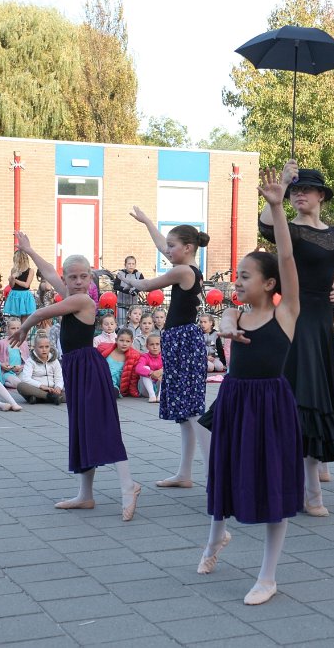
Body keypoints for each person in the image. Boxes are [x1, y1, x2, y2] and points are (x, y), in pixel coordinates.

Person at [197, 164, 304, 606]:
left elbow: (288, 258)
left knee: (272, 485)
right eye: (236, 274)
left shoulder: (285, 313)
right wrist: (225, 321)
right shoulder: (235, 315)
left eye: (245, 275)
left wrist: (278, 208)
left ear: (269, 283)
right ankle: (215, 538)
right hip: (234, 399)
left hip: (270, 404)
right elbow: (225, 319)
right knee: (222, 471)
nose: (237, 281)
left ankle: (268, 575)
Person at [242, 162, 334, 511]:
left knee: (317, 402)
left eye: (305, 189)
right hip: (292, 320)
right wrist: (279, 191)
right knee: (295, 400)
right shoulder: (291, 229)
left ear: (321, 196)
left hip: (321, 324)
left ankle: (309, 490)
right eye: (296, 190)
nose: (300, 194)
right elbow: (269, 227)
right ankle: (297, 487)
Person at [11, 232, 141, 520]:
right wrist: (30, 250)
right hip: (76, 369)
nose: (79, 281)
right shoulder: (71, 294)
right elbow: (47, 270)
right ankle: (85, 495)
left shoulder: (82, 301)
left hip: (88, 369)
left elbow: (42, 311)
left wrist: (23, 329)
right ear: (66, 279)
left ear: (91, 279)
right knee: (81, 428)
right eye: (73, 277)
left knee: (101, 427)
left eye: (84, 276)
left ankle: (128, 485)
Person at [126, 208, 210, 489]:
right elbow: (163, 244)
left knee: (194, 410)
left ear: (187, 248)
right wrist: (148, 221)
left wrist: (125, 279)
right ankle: (185, 473)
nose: (167, 251)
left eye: (173, 247)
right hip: (180, 340)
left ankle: (214, 473)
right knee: (185, 413)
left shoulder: (183, 270)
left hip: (184, 341)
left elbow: (148, 284)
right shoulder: (185, 266)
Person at [16, 332, 64, 405]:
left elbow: (59, 377)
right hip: (37, 389)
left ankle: (39, 398)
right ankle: (50, 397)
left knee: (72, 390)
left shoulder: (55, 360)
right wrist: (41, 386)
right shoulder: (30, 361)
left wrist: (58, 387)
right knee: (21, 386)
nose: (44, 350)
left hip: (53, 389)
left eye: (47, 347)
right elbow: (25, 378)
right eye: (41, 347)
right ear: (35, 348)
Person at [96, 329, 141, 398]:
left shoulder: (134, 356)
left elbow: (134, 377)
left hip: (115, 386)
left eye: (128, 341)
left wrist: (133, 392)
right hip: (100, 381)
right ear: (116, 340)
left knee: (111, 392)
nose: (124, 344)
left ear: (132, 342)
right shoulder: (104, 349)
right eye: (121, 340)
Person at [0, 319, 29, 389]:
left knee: (27, 382)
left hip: (20, 372)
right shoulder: (1, 343)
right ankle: (4, 382)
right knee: (18, 383)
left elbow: (27, 361)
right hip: (7, 372)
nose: (16, 330)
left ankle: (8, 384)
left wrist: (21, 368)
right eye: (13, 328)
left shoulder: (24, 343)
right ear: (7, 329)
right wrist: (1, 365)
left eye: (18, 328)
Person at [5, 250, 36, 322]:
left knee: (24, 318)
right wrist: (11, 279)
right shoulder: (13, 270)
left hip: (25, 295)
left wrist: (14, 279)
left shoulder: (30, 270)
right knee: (14, 318)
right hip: (15, 294)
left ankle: (24, 333)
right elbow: (12, 286)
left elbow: (26, 285)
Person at [114, 256, 143, 325]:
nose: (131, 266)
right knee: (121, 324)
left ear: (135, 265)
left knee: (133, 323)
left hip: (133, 305)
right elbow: (115, 286)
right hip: (121, 304)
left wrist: (136, 291)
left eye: (133, 264)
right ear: (125, 265)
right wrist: (126, 291)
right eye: (129, 264)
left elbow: (142, 286)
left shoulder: (139, 275)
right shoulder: (120, 274)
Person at [135, 333, 163, 402]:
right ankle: (152, 395)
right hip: (146, 390)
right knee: (146, 368)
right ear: (147, 346)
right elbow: (138, 368)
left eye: (157, 344)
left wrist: (160, 371)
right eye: (151, 344)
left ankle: (161, 396)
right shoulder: (145, 356)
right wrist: (151, 373)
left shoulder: (164, 356)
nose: (155, 347)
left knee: (165, 370)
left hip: (159, 386)